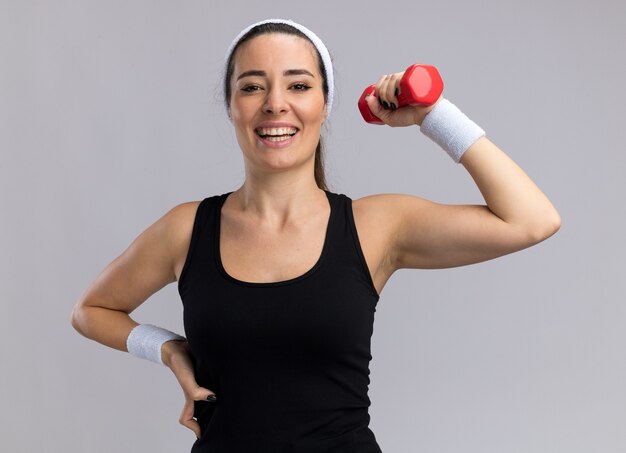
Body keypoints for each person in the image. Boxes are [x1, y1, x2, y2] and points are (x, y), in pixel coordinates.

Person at [71, 18, 560, 452]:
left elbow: (531, 219)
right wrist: (168, 348)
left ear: (325, 105)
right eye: (252, 87)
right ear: (231, 106)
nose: (275, 104)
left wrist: (433, 116)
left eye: (299, 85)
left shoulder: (375, 227)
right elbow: (90, 311)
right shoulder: (187, 228)